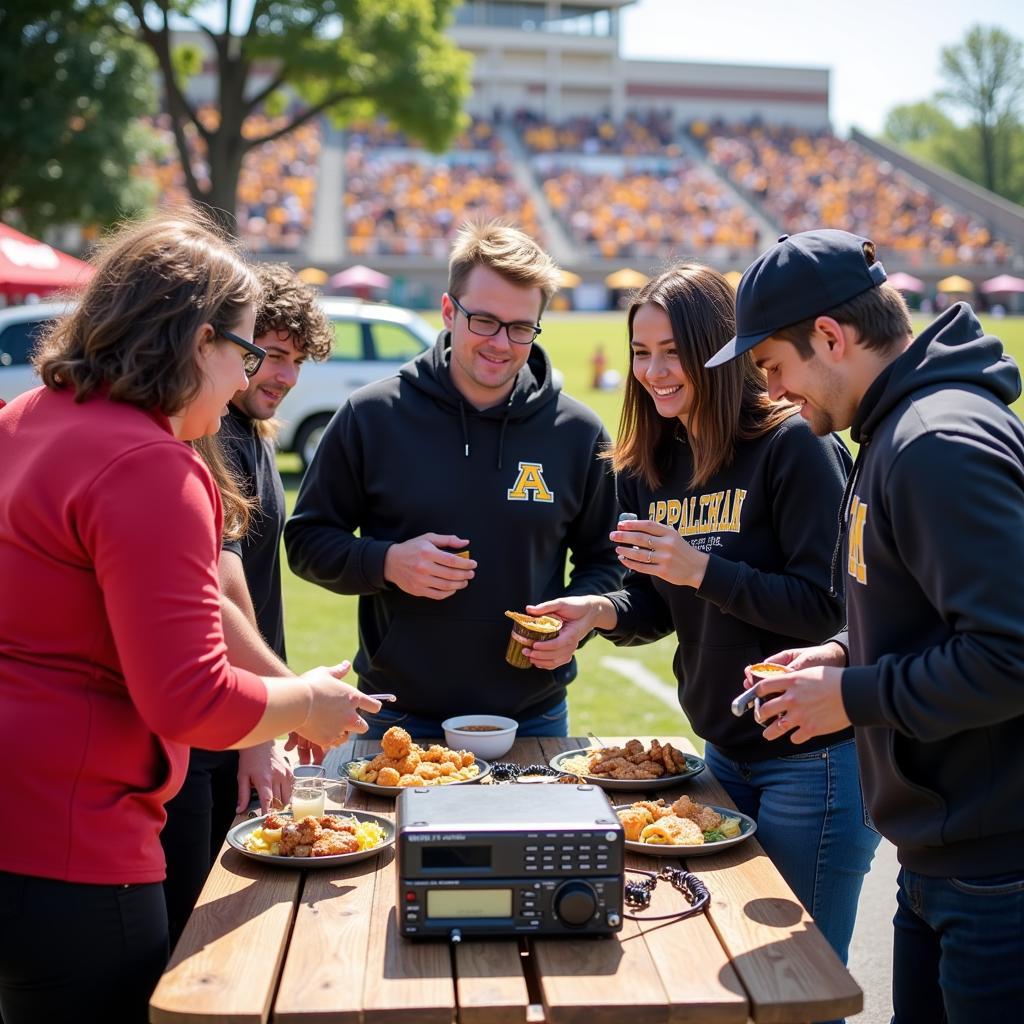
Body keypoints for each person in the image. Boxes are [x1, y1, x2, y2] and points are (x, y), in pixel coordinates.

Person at [0, 210, 380, 1023]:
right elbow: (190, 698)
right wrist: (305, 703)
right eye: (244, 351)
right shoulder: (149, 464)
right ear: (196, 341)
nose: (246, 380)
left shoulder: (27, 418)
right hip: (75, 840)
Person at [525, 264, 879, 977]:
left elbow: (832, 611)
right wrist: (599, 611)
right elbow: (657, 602)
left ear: (721, 351)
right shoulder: (648, 461)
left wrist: (702, 570)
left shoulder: (793, 445)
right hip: (722, 751)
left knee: (800, 984)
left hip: (816, 761)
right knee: (728, 974)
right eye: (640, 352)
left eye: (672, 352)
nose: (654, 372)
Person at [706, 229, 1024, 1022]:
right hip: (944, 858)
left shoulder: (935, 443)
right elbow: (928, 612)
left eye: (773, 367)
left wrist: (852, 694)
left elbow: (1011, 654)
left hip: (997, 872)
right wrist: (844, 648)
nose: (776, 392)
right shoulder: (890, 431)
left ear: (831, 337)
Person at [285, 220, 621, 738]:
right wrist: (387, 562)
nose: (501, 343)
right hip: (395, 717)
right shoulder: (372, 415)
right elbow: (306, 541)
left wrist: (582, 619)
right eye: (483, 321)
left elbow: (605, 560)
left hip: (534, 718)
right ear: (448, 311)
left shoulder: (576, 431)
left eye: (520, 328)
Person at [160, 264, 334, 947]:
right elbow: (223, 587)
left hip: (234, 719)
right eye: (267, 355)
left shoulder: (252, 431)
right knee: (198, 927)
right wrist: (270, 720)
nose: (281, 376)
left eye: (296, 360)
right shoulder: (212, 435)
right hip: (207, 733)